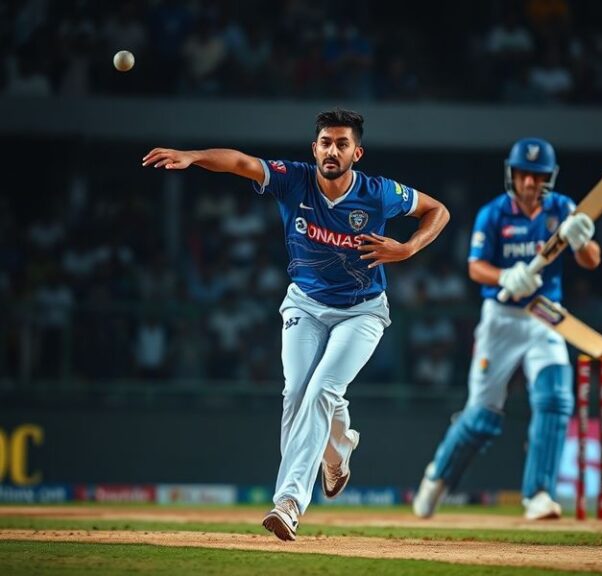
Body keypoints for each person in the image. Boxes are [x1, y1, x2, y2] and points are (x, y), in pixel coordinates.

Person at [142, 108, 449, 540]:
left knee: (322, 390)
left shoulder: (379, 193)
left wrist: (409, 248)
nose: (332, 150)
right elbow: (240, 162)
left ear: (356, 153)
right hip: (304, 305)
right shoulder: (294, 178)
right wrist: (193, 156)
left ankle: (288, 502)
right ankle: (338, 451)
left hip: (362, 311)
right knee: (297, 392)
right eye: (325, 142)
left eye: (342, 144)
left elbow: (438, 210)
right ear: (314, 148)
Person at [412, 137, 599, 520]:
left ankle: (539, 494)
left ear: (549, 178)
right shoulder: (493, 214)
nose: (530, 183)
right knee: (481, 418)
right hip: (501, 319)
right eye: (524, 175)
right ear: (512, 174)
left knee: (555, 400)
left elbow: (592, 260)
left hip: (546, 314)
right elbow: (475, 267)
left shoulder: (564, 209)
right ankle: (438, 475)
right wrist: (505, 277)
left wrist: (582, 241)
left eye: (538, 176)